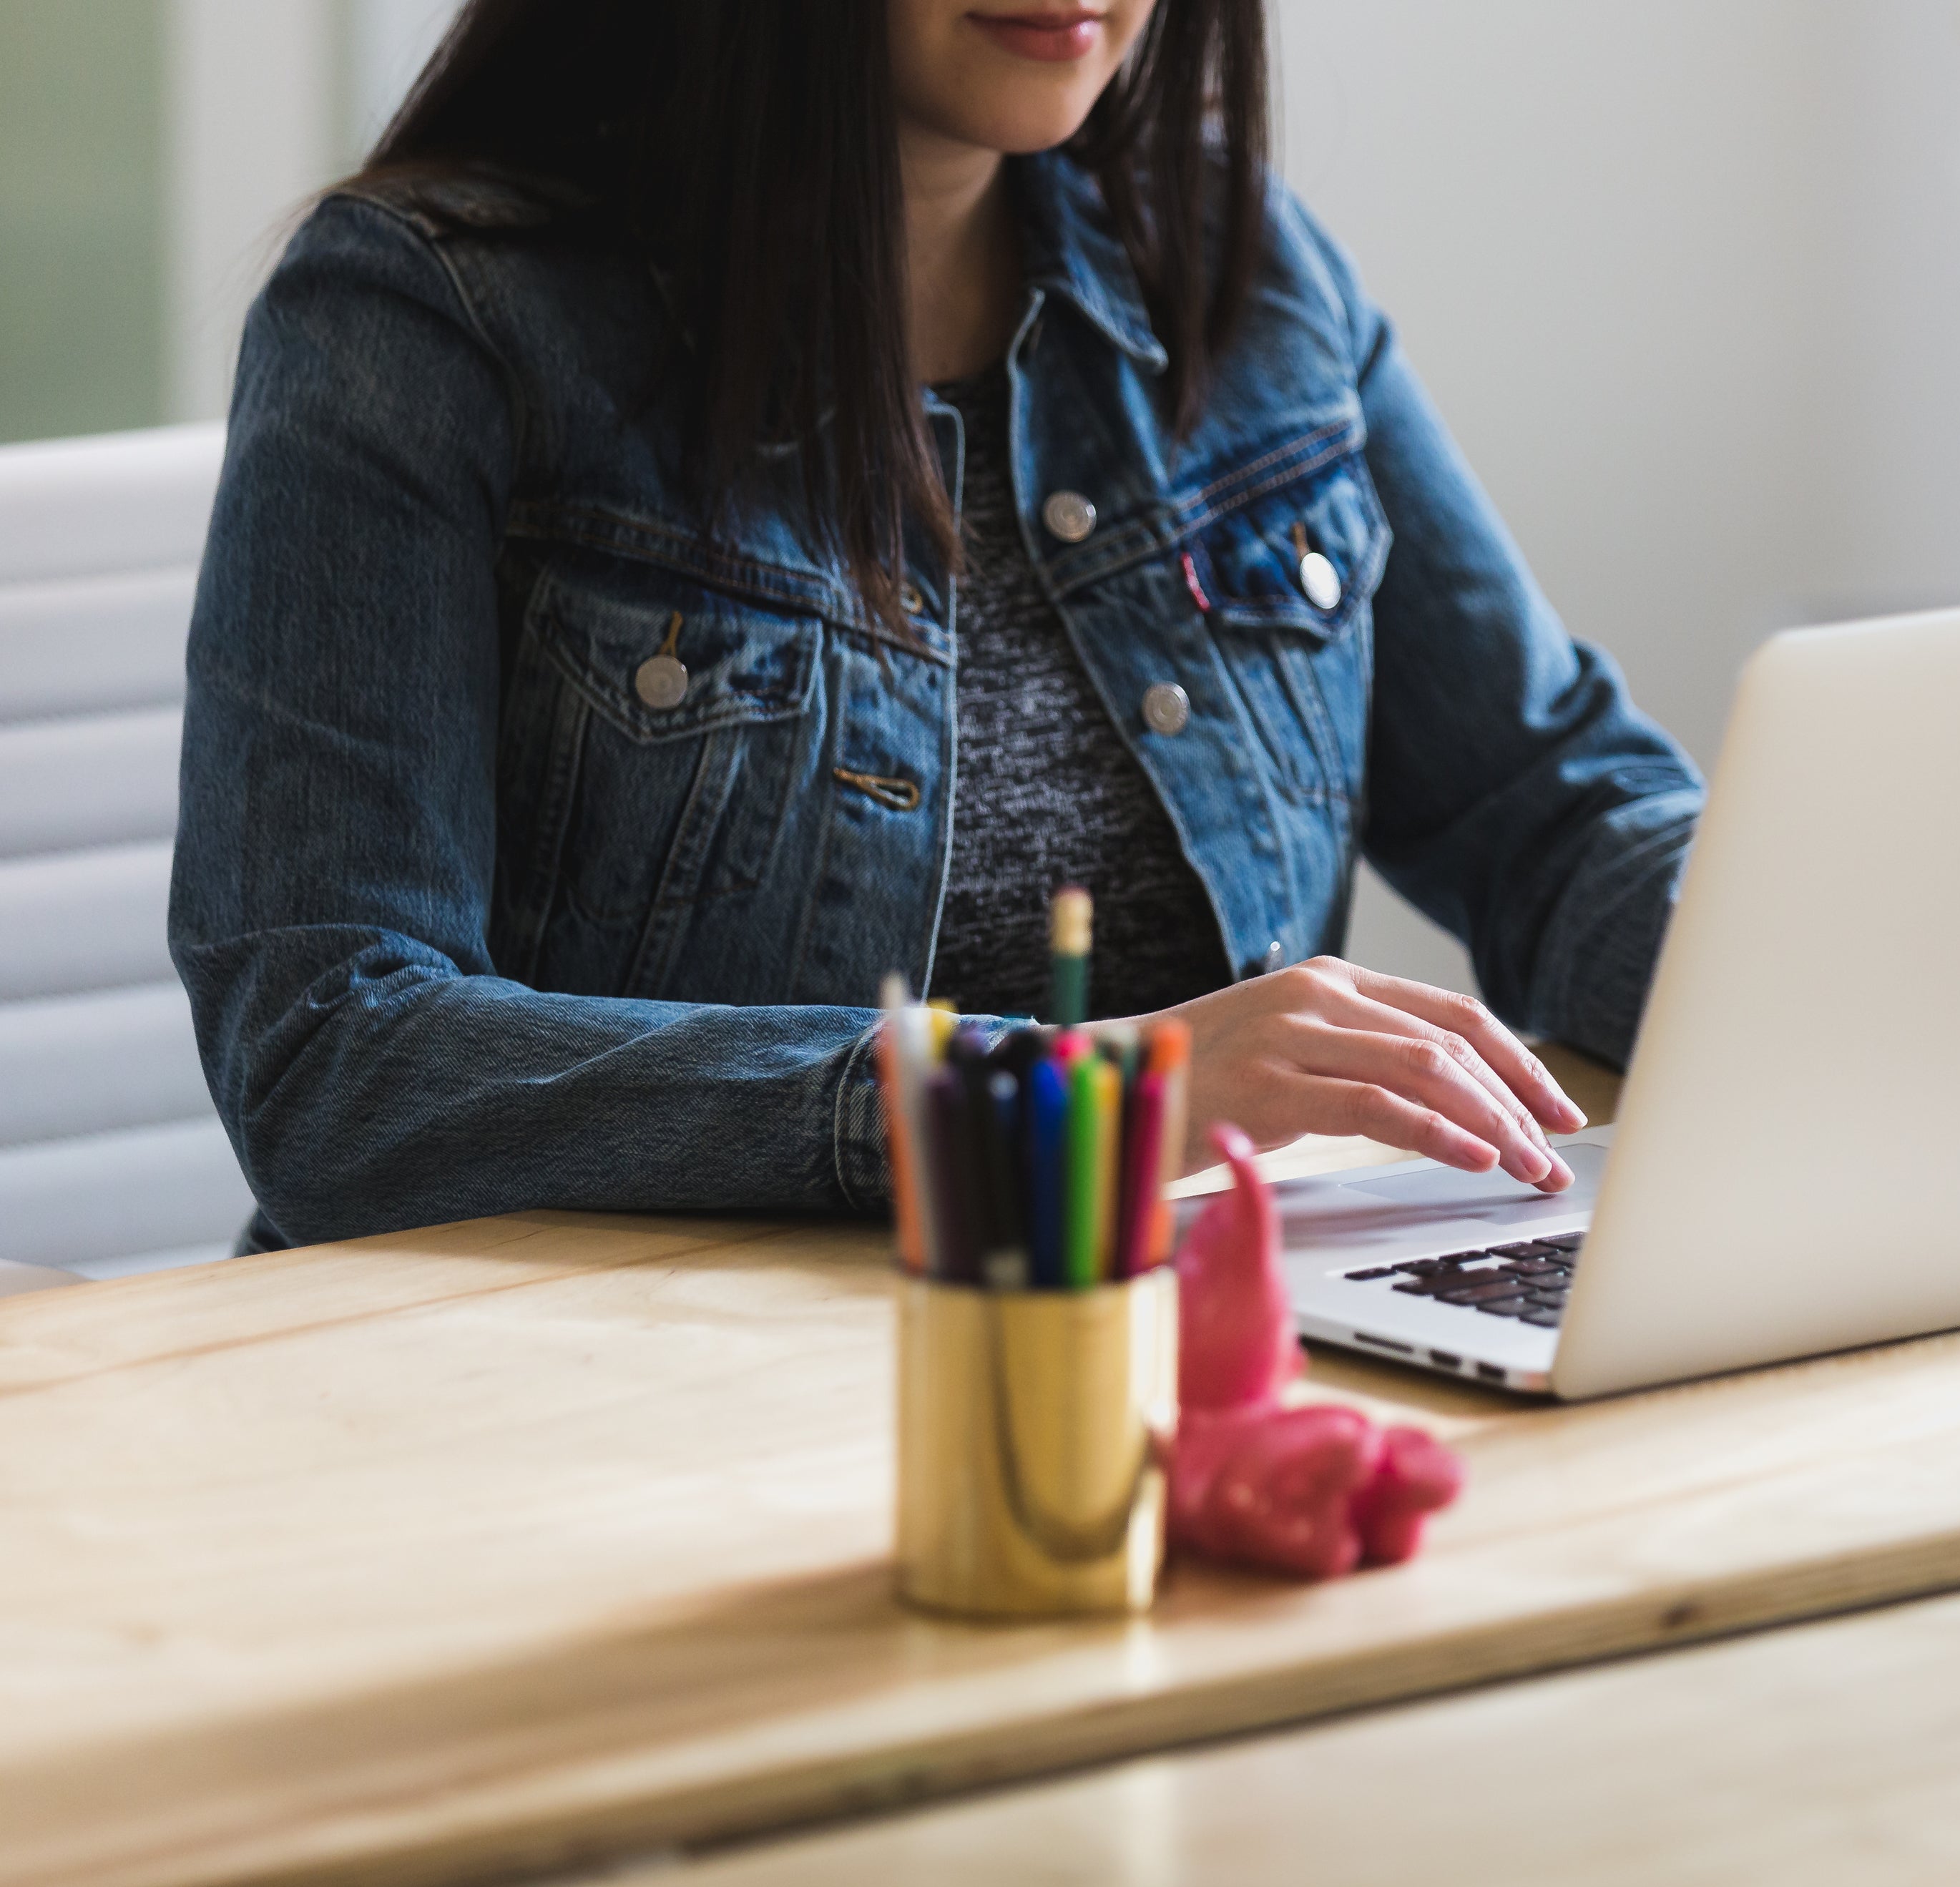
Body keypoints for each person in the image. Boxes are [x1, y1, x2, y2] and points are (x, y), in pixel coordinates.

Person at [171, 0, 1703, 1251]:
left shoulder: (1246, 275)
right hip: (594, 1408)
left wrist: (1843, 960)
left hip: (1178, 1350)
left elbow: (1551, 809)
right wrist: (1086, 1098)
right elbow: (332, 1060)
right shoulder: (425, 317)